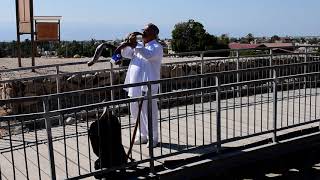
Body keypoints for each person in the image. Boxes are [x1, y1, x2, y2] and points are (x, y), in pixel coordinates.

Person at [121, 23, 163, 148]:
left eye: (145, 31)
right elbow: (125, 54)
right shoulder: (138, 46)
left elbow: (148, 55)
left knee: (149, 112)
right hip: (135, 85)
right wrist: (127, 42)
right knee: (135, 111)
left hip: (148, 86)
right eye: (142, 30)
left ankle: (153, 137)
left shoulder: (157, 47)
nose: (142, 33)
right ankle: (142, 135)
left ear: (153, 34)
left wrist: (135, 45)